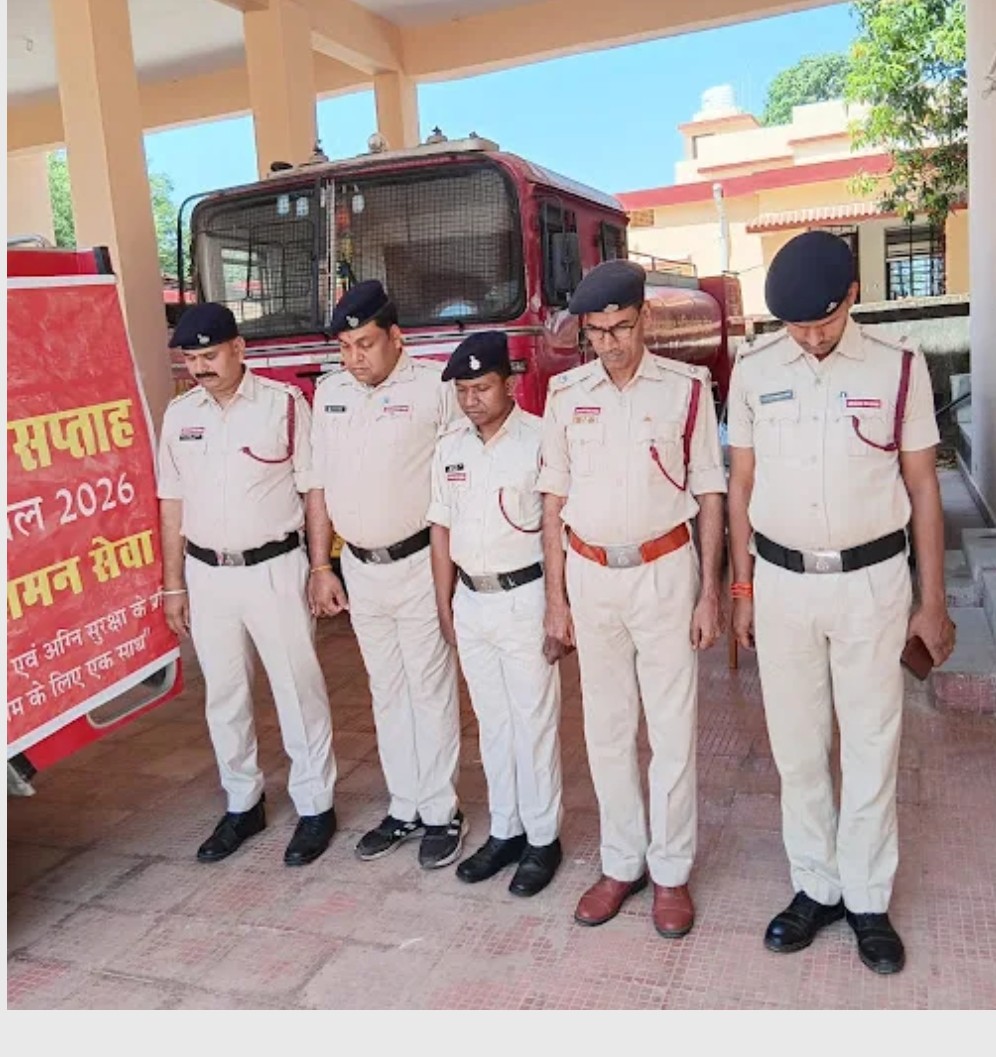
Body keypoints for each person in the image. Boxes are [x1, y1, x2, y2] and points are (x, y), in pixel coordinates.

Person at [726, 229, 957, 975]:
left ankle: (866, 896)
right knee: (797, 747)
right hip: (783, 583)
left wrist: (932, 600)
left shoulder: (898, 366)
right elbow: (741, 483)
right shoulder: (755, 369)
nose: (810, 337)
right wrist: (742, 587)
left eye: (822, 321)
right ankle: (815, 886)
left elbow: (923, 485)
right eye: (796, 326)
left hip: (872, 584)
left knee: (870, 744)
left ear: (851, 296)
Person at [538, 259, 727, 937]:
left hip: (664, 570)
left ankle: (670, 870)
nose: (609, 343)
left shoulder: (685, 389)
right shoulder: (565, 395)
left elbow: (710, 491)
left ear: (643, 318)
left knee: (671, 728)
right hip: (591, 576)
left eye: (620, 327)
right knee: (607, 726)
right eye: (596, 332)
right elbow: (552, 501)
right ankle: (622, 861)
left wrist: (710, 592)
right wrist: (556, 600)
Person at [158, 302, 340, 867]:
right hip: (206, 574)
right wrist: (173, 583)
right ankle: (243, 802)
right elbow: (171, 502)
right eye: (191, 359)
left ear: (239, 349)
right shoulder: (179, 415)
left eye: (210, 355)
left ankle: (316, 805)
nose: (200, 367)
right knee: (225, 694)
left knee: (297, 687)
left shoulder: (283, 405)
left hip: (274, 569)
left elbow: (313, 490)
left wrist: (320, 567)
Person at [309, 280, 466, 870]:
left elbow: (459, 476)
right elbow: (318, 484)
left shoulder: (435, 387)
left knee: (429, 687)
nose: (355, 359)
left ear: (396, 337)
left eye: (366, 345)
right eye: (346, 347)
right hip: (359, 567)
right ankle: (404, 806)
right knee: (387, 689)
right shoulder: (329, 394)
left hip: (420, 562)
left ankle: (441, 810)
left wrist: (454, 570)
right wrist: (321, 565)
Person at [428, 331, 564, 897]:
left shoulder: (539, 439)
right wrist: (444, 604)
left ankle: (543, 838)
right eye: (463, 390)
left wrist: (558, 606)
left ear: (509, 384)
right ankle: (506, 829)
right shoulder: (449, 448)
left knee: (534, 722)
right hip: (471, 600)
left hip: (524, 596)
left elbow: (558, 528)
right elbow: (440, 529)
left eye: (482, 387)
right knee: (493, 722)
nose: (471, 400)